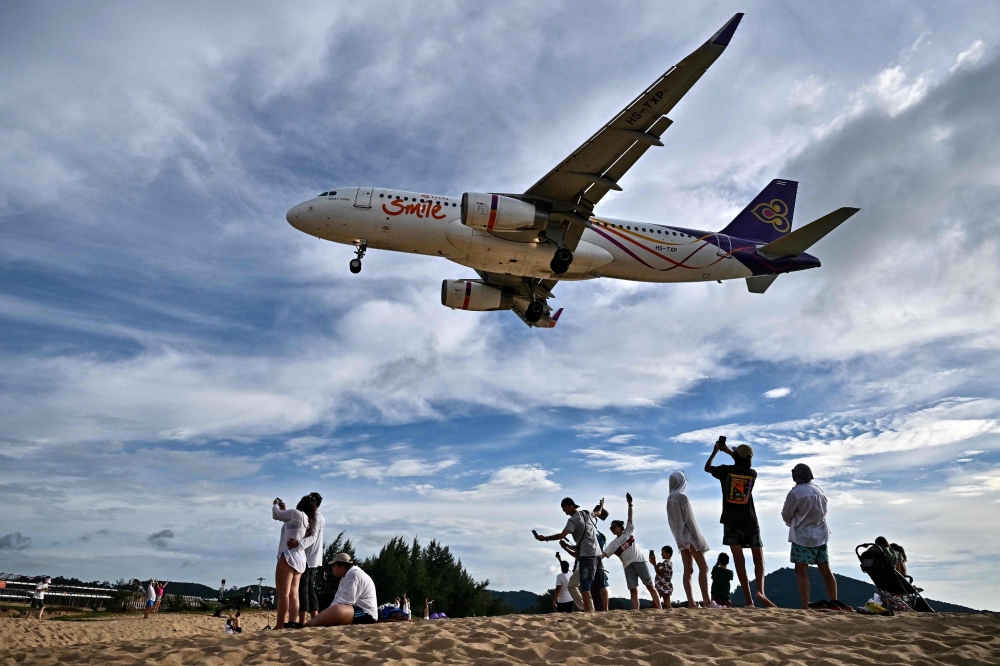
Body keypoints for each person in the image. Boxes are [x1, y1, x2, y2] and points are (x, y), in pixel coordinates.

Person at [704, 438, 776, 608]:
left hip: (731, 522)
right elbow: (741, 462)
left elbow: (707, 468)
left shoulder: (725, 471)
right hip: (750, 521)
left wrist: (717, 451)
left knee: (739, 562)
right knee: (758, 558)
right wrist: (729, 451)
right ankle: (760, 591)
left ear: (736, 457)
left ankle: (749, 601)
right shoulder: (752, 474)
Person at [781, 463, 841, 610]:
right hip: (821, 535)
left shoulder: (795, 493)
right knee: (826, 570)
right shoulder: (819, 491)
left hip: (802, 537)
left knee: (801, 571)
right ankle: (834, 601)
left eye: (793, 472)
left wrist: (793, 524)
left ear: (798, 475)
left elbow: (786, 514)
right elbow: (823, 512)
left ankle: (806, 604)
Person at [533, 497, 603, 611]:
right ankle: (595, 610)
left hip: (586, 554)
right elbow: (598, 512)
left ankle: (589, 611)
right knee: (600, 584)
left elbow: (562, 535)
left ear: (570, 506)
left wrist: (545, 538)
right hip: (598, 554)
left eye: (563, 508)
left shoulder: (573, 520)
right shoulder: (587, 513)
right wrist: (601, 505)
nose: (563, 511)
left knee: (585, 586)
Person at [602, 493, 662, 610]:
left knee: (650, 586)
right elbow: (604, 554)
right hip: (628, 567)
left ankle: (660, 609)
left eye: (614, 527)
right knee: (633, 590)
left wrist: (630, 504)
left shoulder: (628, 532)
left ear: (620, 527)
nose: (612, 529)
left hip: (639, 562)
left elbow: (630, 518)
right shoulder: (613, 544)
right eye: (611, 528)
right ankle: (636, 612)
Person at [666, 470, 712, 608]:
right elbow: (690, 521)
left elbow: (672, 522)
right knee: (703, 567)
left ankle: (691, 602)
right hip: (690, 537)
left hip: (680, 538)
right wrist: (699, 540)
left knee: (688, 570)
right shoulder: (682, 497)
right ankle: (707, 601)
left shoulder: (670, 498)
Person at [272, 495, 316, 629]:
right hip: (300, 558)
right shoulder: (308, 520)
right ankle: (291, 623)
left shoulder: (296, 513)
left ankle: (280, 625)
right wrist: (284, 509)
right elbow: (290, 526)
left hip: (288, 555)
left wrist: (275, 505)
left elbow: (276, 514)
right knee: (294, 594)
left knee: (283, 593)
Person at [307, 553, 377, 626]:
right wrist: (328, 612)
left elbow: (346, 601)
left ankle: (306, 625)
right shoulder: (345, 577)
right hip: (356, 610)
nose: (332, 568)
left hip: (367, 614)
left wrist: (330, 612)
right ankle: (308, 624)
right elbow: (337, 599)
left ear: (341, 567)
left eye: (334, 566)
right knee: (335, 610)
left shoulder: (353, 574)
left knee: (337, 610)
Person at [296, 492, 325, 625]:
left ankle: (303, 620)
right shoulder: (320, 517)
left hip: (308, 557)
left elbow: (312, 537)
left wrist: (299, 544)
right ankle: (314, 618)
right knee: (310, 589)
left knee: (304, 589)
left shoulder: (316, 517)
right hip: (313, 557)